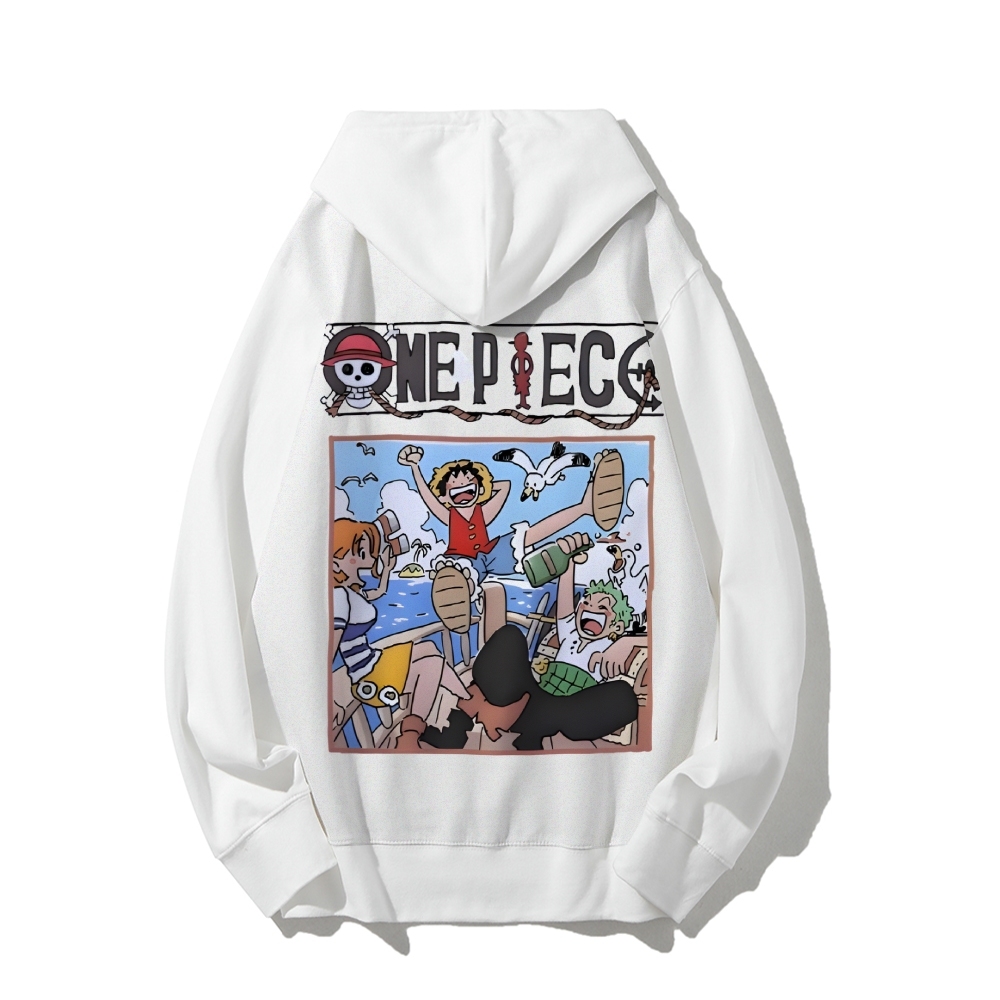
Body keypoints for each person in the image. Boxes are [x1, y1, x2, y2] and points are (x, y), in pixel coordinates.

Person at [421, 533, 646, 750]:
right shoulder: (570, 632)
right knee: (509, 636)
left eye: (602, 607)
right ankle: (457, 731)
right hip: (534, 697)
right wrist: (568, 561)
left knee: (624, 697)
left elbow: (649, 638)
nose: (590, 608)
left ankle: (528, 728)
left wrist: (625, 642)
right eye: (586, 603)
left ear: (617, 626)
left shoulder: (609, 646)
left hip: (567, 711)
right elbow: (565, 597)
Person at [330, 517, 468, 748]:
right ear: (335, 563)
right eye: (360, 552)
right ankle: (410, 735)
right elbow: (331, 648)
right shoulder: (340, 597)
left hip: (373, 658)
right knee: (432, 664)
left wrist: (386, 569)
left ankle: (466, 701)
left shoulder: (352, 592)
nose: (369, 555)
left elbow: (378, 592)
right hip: (367, 673)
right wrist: (331, 697)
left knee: (429, 647)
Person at [396, 445, 621, 579]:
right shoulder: (449, 515)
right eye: (456, 491)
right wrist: (415, 467)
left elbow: (505, 486)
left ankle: (583, 508)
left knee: (529, 535)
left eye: (469, 488)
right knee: (459, 575)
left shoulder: (482, 512)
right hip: (461, 561)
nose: (464, 493)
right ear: (444, 497)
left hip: (490, 555)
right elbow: (427, 496)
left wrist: (483, 488)